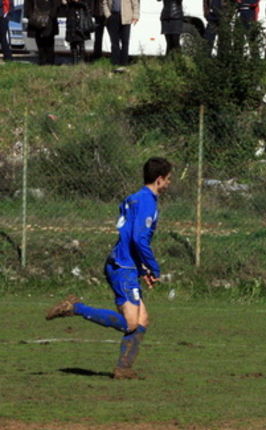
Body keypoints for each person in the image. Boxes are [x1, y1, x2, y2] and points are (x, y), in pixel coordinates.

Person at [45, 158, 172, 380]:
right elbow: (138, 239)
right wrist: (153, 267)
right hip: (122, 266)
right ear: (159, 180)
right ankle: (76, 308)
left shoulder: (135, 198)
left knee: (142, 321)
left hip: (127, 264)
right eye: (168, 179)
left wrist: (142, 271)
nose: (170, 183)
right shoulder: (147, 202)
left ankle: (123, 369)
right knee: (130, 322)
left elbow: (128, 236)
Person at [101, 0, 139, 66]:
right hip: (113, 17)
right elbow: (104, 3)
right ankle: (115, 62)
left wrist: (135, 15)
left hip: (126, 17)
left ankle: (124, 62)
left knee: (125, 41)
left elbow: (135, 3)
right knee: (114, 41)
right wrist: (108, 15)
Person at [25, 0, 60, 65]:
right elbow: (28, 7)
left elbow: (56, 5)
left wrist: (51, 16)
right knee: (39, 42)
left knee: (49, 42)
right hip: (36, 21)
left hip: (49, 21)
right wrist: (31, 17)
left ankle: (50, 61)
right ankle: (42, 61)